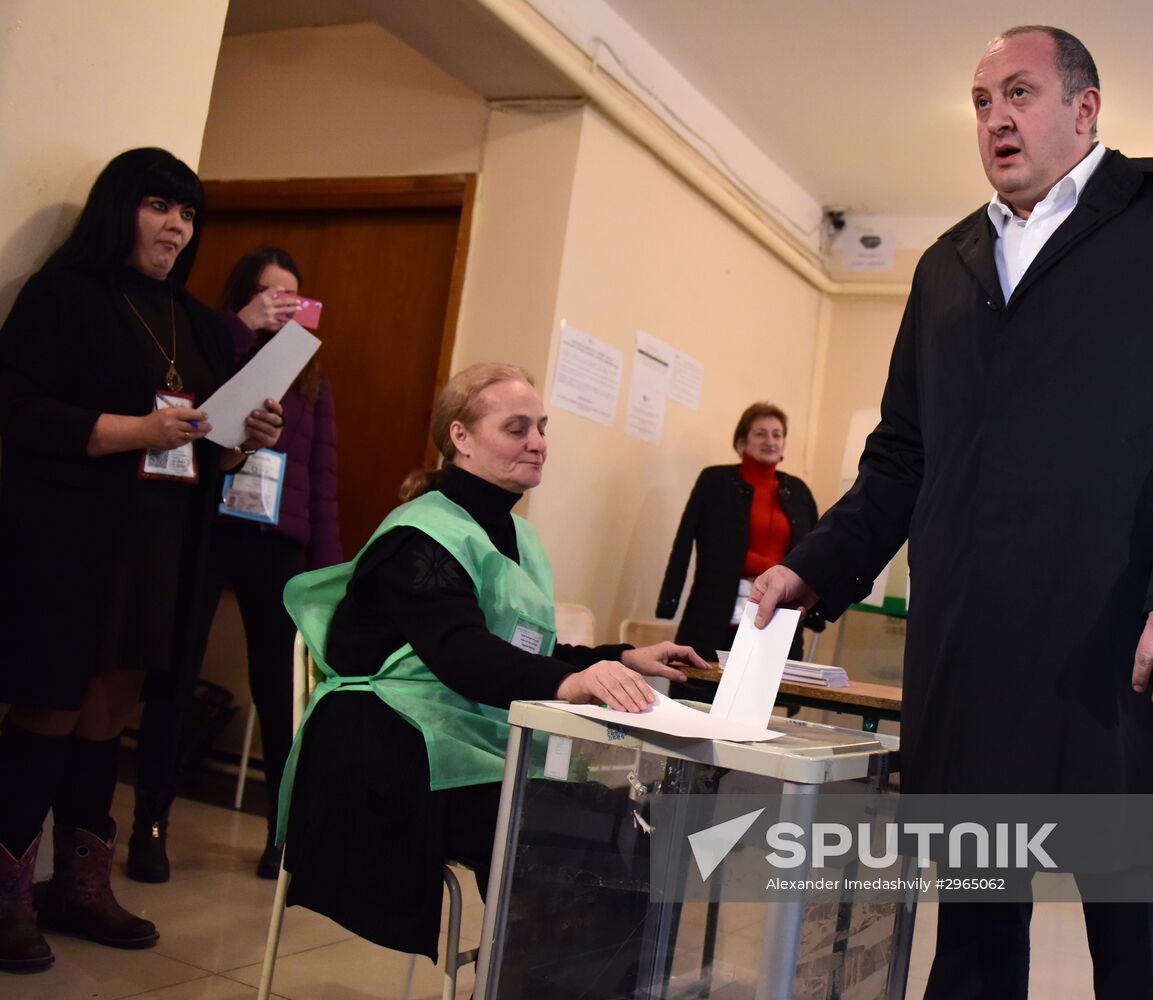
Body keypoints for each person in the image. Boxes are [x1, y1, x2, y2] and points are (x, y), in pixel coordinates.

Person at [752, 25, 1153, 1000]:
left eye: (1018, 93)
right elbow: (902, 453)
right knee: (976, 927)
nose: (994, 117)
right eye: (981, 101)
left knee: (1136, 934)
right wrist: (813, 564)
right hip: (973, 645)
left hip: (1121, 644)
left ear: (1085, 108)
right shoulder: (946, 263)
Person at [277, 362, 708, 960]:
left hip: (463, 734)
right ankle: (538, 982)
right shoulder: (420, 535)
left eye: (542, 427)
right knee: (599, 831)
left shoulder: (514, 534)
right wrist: (573, 681)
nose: (538, 443)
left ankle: (547, 980)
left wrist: (623, 656)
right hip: (388, 749)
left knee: (632, 820)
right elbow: (463, 654)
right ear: (461, 437)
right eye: (516, 428)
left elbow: (520, 646)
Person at [0, 147, 285, 971]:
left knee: (106, 716)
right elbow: (17, 412)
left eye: (188, 214)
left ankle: (80, 885)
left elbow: (206, 446)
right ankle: (8, 891)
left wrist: (241, 443)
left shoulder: (197, 323)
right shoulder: (61, 297)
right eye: (160, 207)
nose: (175, 226)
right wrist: (138, 431)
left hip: (161, 547)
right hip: (66, 538)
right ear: (118, 208)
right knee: (48, 708)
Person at [130, 246, 341, 884]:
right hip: (207, 529)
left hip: (275, 544)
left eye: (292, 296)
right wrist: (242, 334)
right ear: (243, 298)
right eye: (269, 294)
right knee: (175, 671)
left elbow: (323, 479)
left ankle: (282, 831)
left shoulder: (313, 380)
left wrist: (328, 579)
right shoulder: (212, 350)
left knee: (278, 692)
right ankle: (150, 825)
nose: (283, 306)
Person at [656, 402, 822, 660]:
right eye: (760, 433)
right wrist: (668, 601)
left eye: (777, 434)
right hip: (713, 614)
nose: (770, 440)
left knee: (766, 696)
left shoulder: (799, 491)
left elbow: (812, 553)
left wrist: (814, 607)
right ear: (742, 441)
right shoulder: (714, 481)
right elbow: (692, 543)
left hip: (776, 618)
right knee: (698, 694)